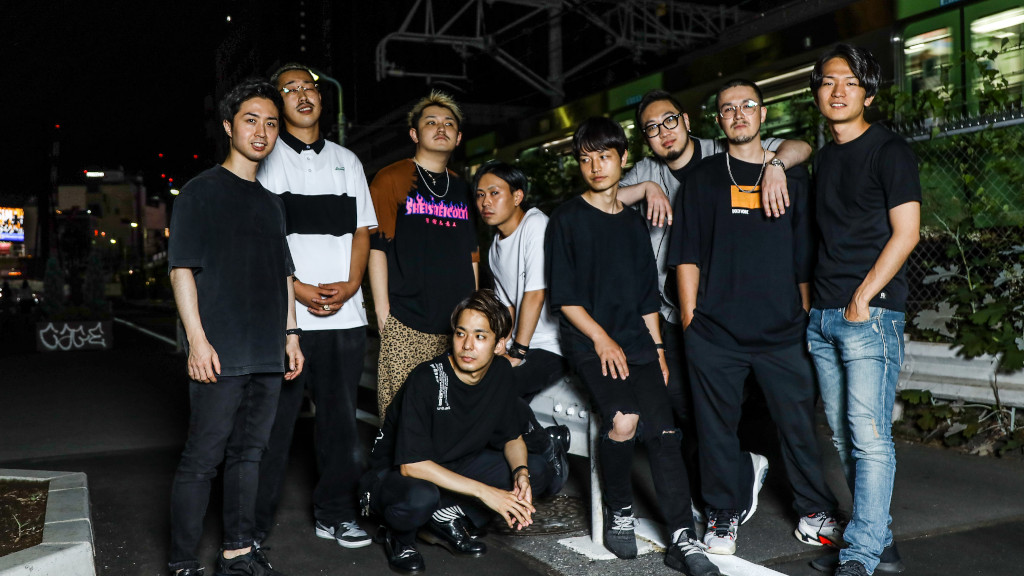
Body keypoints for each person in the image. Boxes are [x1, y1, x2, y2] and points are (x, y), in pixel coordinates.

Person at [617, 89, 813, 519]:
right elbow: (602, 200)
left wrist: (776, 166)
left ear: (687, 120)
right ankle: (733, 478)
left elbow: (799, 146)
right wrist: (647, 189)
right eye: (652, 128)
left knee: (757, 406)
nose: (664, 132)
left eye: (670, 121)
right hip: (679, 312)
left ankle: (736, 483)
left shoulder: (721, 149)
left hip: (740, 307)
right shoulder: (647, 171)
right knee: (688, 409)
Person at [670, 78, 840, 557]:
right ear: (718, 120)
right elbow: (686, 256)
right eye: (728, 108)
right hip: (715, 333)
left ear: (763, 115)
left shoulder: (790, 175)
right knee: (715, 430)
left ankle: (814, 512)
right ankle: (722, 513)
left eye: (748, 105)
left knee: (799, 427)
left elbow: (803, 256)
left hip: (783, 331)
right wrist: (690, 322)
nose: (739, 113)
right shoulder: (703, 179)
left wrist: (802, 315)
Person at [544, 116, 718, 576]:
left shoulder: (634, 224)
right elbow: (565, 299)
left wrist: (658, 351)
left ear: (623, 159)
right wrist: (601, 340)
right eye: (586, 159)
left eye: (604, 156)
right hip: (589, 340)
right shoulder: (566, 219)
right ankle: (619, 508)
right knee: (624, 420)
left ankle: (682, 538)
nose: (596, 166)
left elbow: (646, 300)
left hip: (637, 341)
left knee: (665, 433)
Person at [167, 79, 303, 576]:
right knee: (203, 459)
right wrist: (197, 342)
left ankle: (237, 553)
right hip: (219, 352)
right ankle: (183, 561)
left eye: (271, 123)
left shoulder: (272, 202)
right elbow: (182, 270)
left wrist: (291, 335)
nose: (262, 132)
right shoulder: (200, 192)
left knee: (249, 456)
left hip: (267, 352)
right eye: (251, 120)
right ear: (228, 126)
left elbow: (284, 275)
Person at [805, 44, 921, 576]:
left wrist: (862, 298)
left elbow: (907, 233)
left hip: (869, 316)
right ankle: (880, 542)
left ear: (868, 94)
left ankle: (859, 556)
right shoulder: (824, 158)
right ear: (817, 91)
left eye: (850, 82)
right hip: (824, 317)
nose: (838, 91)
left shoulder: (890, 150)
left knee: (870, 439)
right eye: (829, 81)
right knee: (843, 437)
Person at [254, 63, 378, 556]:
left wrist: (352, 284)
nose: (303, 94)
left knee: (340, 425)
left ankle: (336, 515)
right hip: (288, 320)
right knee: (272, 425)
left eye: (309, 87)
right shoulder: (267, 159)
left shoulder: (348, 160)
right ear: (277, 102)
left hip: (345, 318)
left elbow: (363, 230)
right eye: (290, 89)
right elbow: (264, 240)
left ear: (321, 99)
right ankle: (251, 528)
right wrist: (298, 289)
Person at [360, 289, 553, 574]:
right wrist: (486, 493)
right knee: (421, 497)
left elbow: (512, 437)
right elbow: (412, 466)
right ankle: (399, 537)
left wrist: (521, 474)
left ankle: (443, 517)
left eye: (480, 336)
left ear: (499, 344)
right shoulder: (426, 379)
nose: (467, 345)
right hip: (394, 476)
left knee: (537, 470)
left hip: (454, 464)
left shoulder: (501, 373)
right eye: (461, 333)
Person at [368, 91, 479, 421]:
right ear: (414, 134)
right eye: (431, 122)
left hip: (457, 327)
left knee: (451, 417)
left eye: (449, 123)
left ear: (458, 138)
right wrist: (383, 313)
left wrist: (474, 313)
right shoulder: (391, 178)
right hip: (407, 321)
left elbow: (472, 255)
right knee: (400, 418)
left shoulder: (464, 188)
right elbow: (377, 247)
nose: (441, 128)